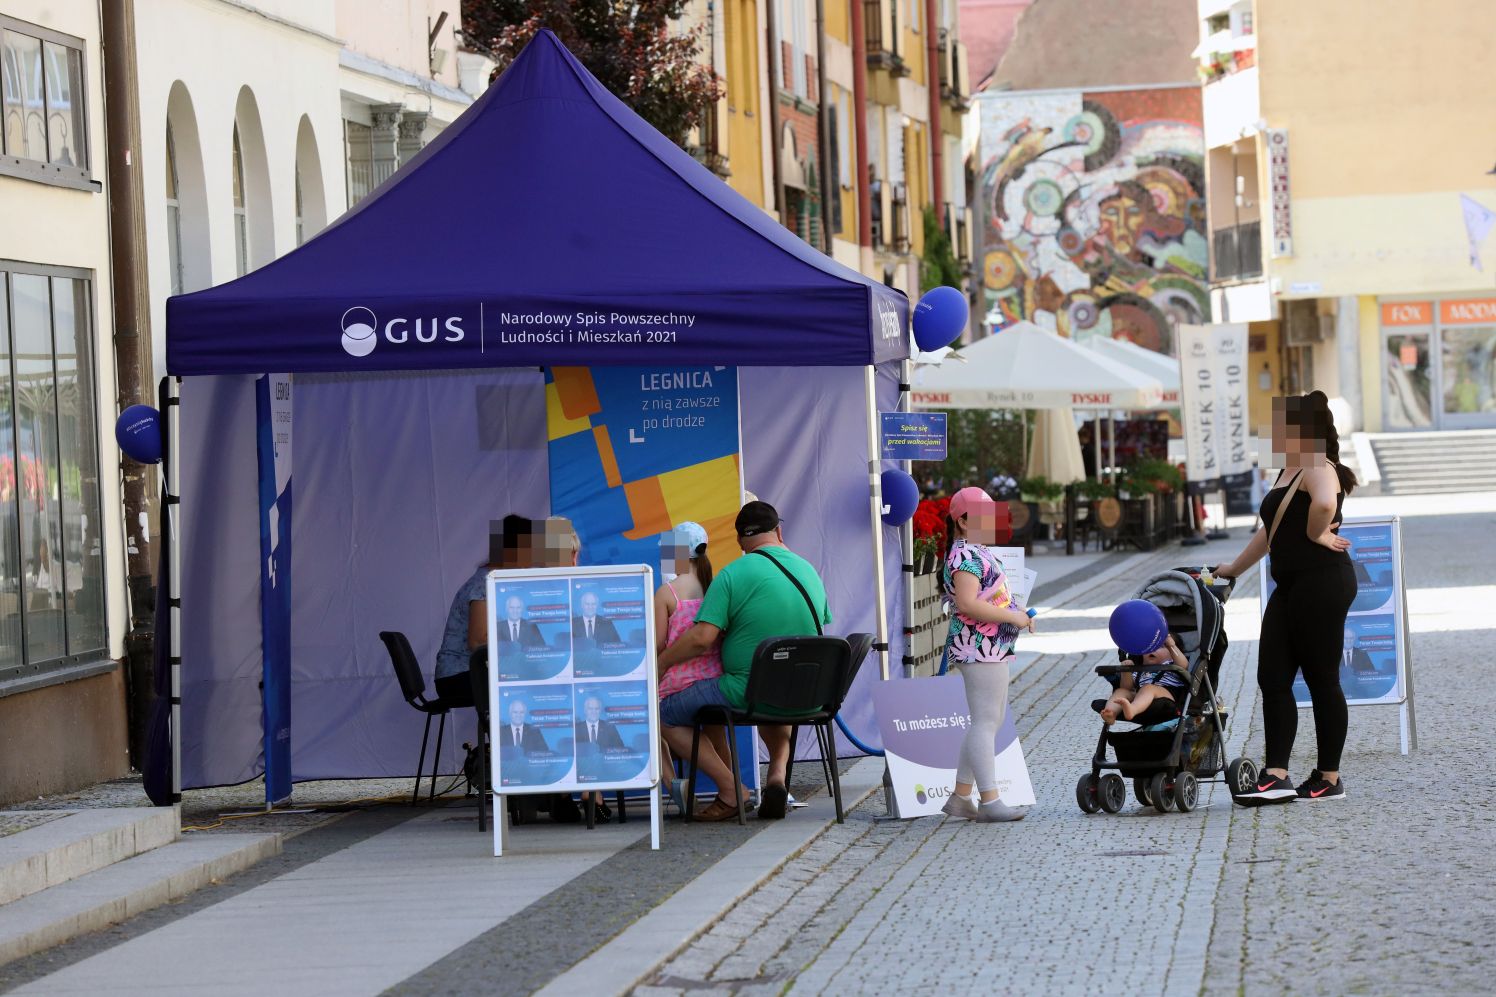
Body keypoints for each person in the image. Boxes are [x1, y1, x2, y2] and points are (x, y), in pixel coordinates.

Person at [1215, 391, 1357, 804]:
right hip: (1292, 583)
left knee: (1320, 679)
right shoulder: (1287, 469)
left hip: (1323, 581)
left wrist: (1316, 533)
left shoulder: (1316, 464)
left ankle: (1328, 778)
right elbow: (1271, 532)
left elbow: (1326, 502)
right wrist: (1234, 569)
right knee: (1272, 676)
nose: (1271, 432)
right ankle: (1276, 774)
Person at [656, 502, 829, 822]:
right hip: (806, 692)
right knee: (776, 693)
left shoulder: (733, 575)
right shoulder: (808, 570)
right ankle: (776, 776)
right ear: (778, 531)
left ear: (739, 542)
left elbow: (702, 638)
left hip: (747, 689)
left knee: (664, 714)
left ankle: (732, 789)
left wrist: (663, 663)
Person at [939, 486, 1033, 823]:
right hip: (979, 644)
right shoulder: (965, 555)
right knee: (985, 721)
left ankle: (962, 796)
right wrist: (1012, 617)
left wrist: (1015, 612)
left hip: (988, 644)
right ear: (962, 521)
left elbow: (985, 598)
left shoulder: (976, 551)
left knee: (986, 720)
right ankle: (990, 799)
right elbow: (967, 603)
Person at [652, 522, 722, 813]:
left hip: (676, 685)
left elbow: (657, 647)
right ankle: (729, 787)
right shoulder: (716, 587)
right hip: (716, 680)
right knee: (718, 733)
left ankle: (672, 784)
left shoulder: (666, 594)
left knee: (651, 715)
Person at [1099, 635, 1186, 726]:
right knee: (1121, 691)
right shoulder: (1139, 669)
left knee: (1148, 688)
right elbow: (1127, 688)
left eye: (1160, 646)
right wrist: (1126, 671)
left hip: (1167, 696)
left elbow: (1183, 665)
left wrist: (1171, 646)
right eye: (1148, 646)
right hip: (1140, 696)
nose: (1152, 650)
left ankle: (1132, 709)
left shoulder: (1173, 664)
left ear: (1172, 654)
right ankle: (1111, 713)